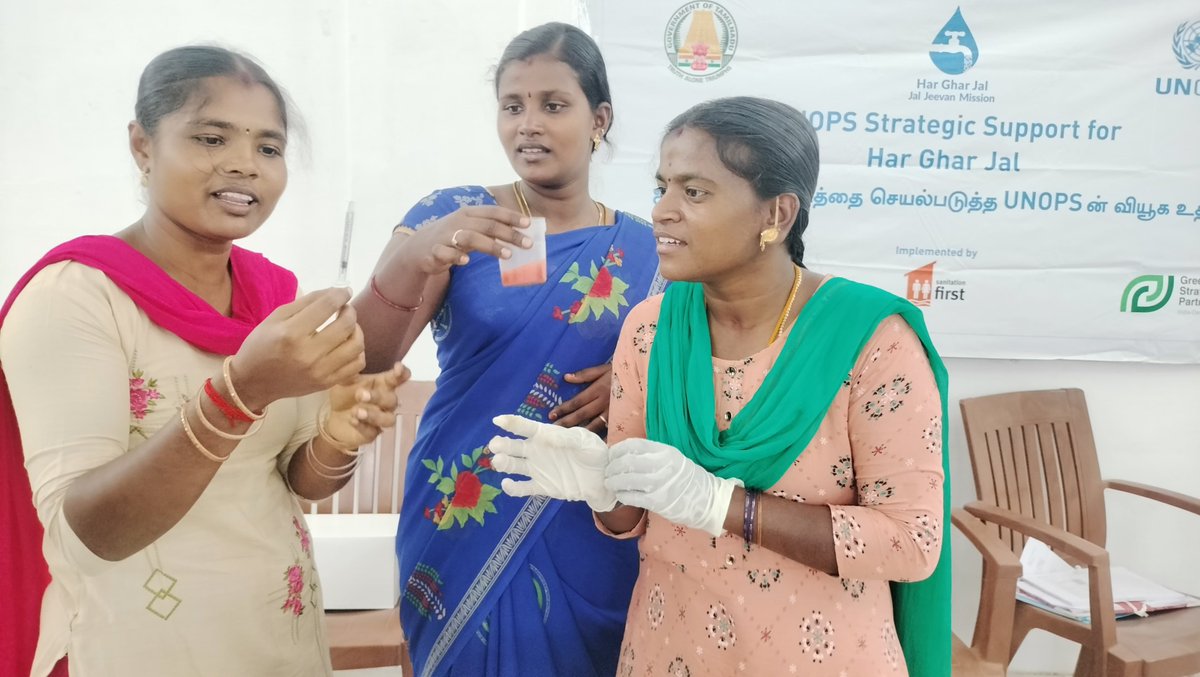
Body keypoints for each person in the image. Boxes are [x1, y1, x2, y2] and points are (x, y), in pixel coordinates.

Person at [489, 96, 952, 676]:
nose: (662, 211)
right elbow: (635, 519)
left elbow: (912, 543)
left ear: (776, 215)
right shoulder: (651, 330)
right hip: (666, 648)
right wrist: (603, 490)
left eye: (694, 192)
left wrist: (723, 505)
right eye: (661, 188)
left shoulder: (871, 342)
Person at [0, 46, 406, 677]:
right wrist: (238, 395)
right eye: (212, 137)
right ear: (142, 146)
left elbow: (297, 481)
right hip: (140, 651)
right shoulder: (77, 297)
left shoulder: (273, 299)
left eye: (269, 149)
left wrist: (340, 437)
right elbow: (86, 537)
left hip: (278, 638)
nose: (245, 165)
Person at [353, 22, 661, 677]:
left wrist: (638, 380)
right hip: (464, 498)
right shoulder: (457, 216)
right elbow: (370, 355)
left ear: (599, 118)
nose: (529, 124)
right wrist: (416, 251)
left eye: (553, 105)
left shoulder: (648, 253)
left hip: (588, 515)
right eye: (512, 106)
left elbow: (694, 382)